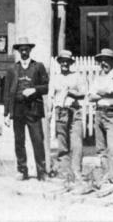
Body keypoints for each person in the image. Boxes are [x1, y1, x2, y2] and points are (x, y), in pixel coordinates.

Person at [3, 37, 49, 181]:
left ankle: (42, 172)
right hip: (17, 109)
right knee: (19, 141)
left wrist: (34, 90)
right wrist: (6, 113)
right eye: (21, 49)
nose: (24, 51)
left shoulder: (38, 66)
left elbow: (46, 87)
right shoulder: (12, 69)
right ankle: (22, 171)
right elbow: (6, 92)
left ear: (30, 50)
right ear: (18, 51)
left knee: (37, 140)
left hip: (33, 109)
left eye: (26, 49)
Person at [85, 48, 113, 197]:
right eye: (102, 60)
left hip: (112, 114)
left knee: (112, 148)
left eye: (107, 60)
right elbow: (90, 96)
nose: (104, 63)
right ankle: (105, 177)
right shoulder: (98, 77)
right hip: (99, 113)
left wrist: (100, 92)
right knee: (101, 149)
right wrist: (102, 92)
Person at [48, 49, 86, 189]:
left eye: (67, 61)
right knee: (62, 143)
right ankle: (65, 173)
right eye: (62, 61)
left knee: (76, 143)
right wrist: (49, 112)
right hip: (60, 112)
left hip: (74, 111)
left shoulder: (76, 77)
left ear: (70, 63)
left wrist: (71, 93)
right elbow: (51, 97)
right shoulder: (55, 77)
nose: (65, 63)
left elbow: (83, 93)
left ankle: (77, 172)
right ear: (59, 63)